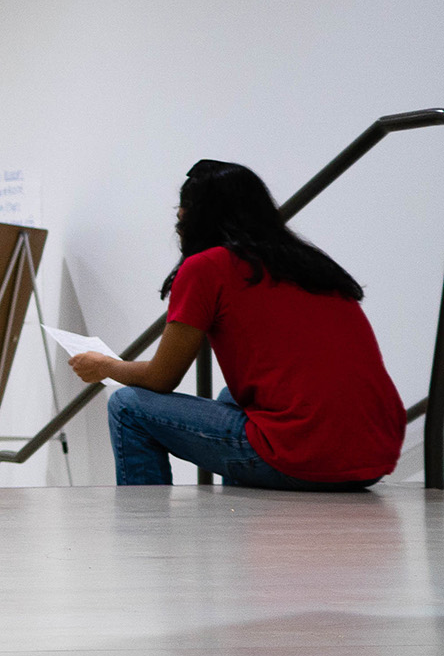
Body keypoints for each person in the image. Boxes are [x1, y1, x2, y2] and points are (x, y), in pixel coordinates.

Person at [71, 160, 404, 490]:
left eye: (181, 213)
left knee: (127, 406)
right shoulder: (309, 264)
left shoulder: (206, 267)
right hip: (374, 456)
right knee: (231, 397)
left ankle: (144, 534)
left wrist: (105, 366)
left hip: (302, 458)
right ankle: (243, 523)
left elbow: (161, 378)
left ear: (194, 217)